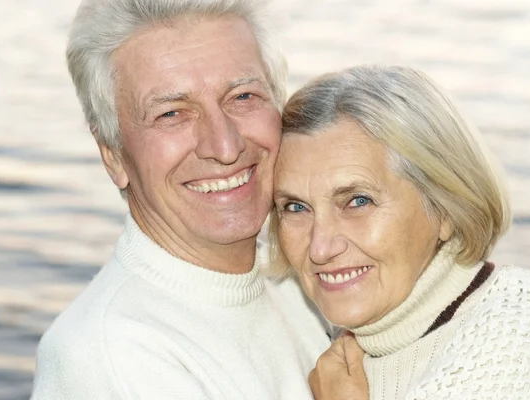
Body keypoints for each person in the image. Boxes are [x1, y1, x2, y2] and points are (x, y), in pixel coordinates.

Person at [30, 0, 331, 398]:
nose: (224, 146)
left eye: (242, 96)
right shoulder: (113, 357)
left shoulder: (298, 280)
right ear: (113, 155)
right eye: (171, 113)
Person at [269, 65, 530, 399]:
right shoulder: (348, 344)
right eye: (296, 207)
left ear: (445, 206)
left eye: (358, 201)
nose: (320, 247)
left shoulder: (520, 338)